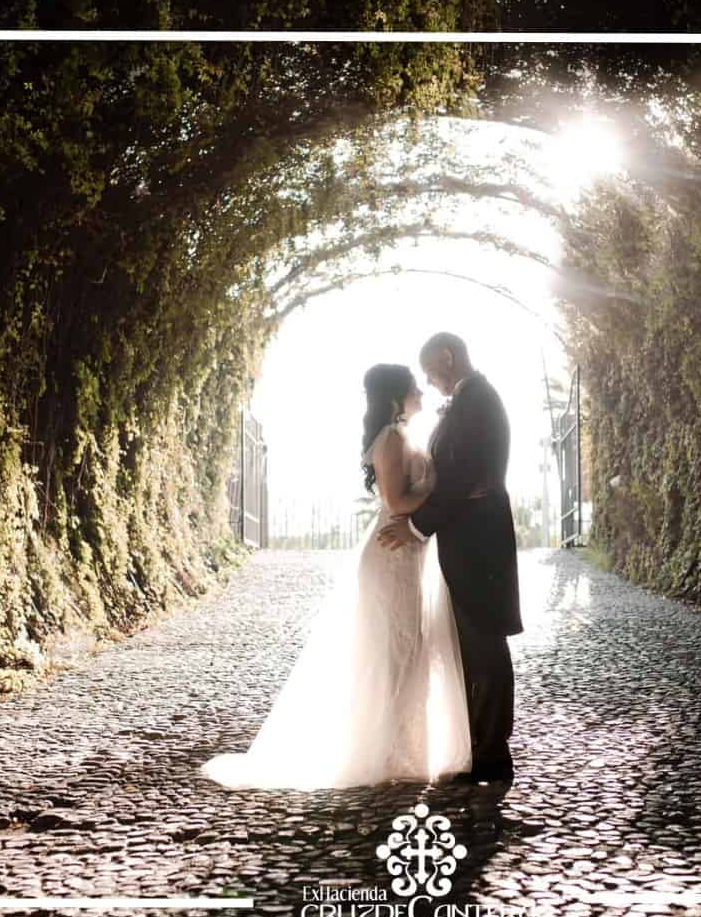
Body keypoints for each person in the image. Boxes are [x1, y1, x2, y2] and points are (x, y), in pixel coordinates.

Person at [198, 363, 472, 790]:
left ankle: (405, 749)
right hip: (391, 556)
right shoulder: (391, 439)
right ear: (395, 396)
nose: (421, 391)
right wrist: (437, 491)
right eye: (412, 387)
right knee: (393, 651)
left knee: (408, 648)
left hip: (409, 553)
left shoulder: (403, 436)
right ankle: (381, 751)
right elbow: (397, 502)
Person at [377, 333, 522, 783]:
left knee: (485, 644)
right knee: (475, 647)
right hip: (469, 539)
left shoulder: (477, 400)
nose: (429, 382)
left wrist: (418, 526)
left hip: (479, 541)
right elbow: (457, 478)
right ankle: (482, 748)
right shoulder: (470, 400)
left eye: (431, 371)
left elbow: (462, 479)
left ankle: (492, 754)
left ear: (448, 356)